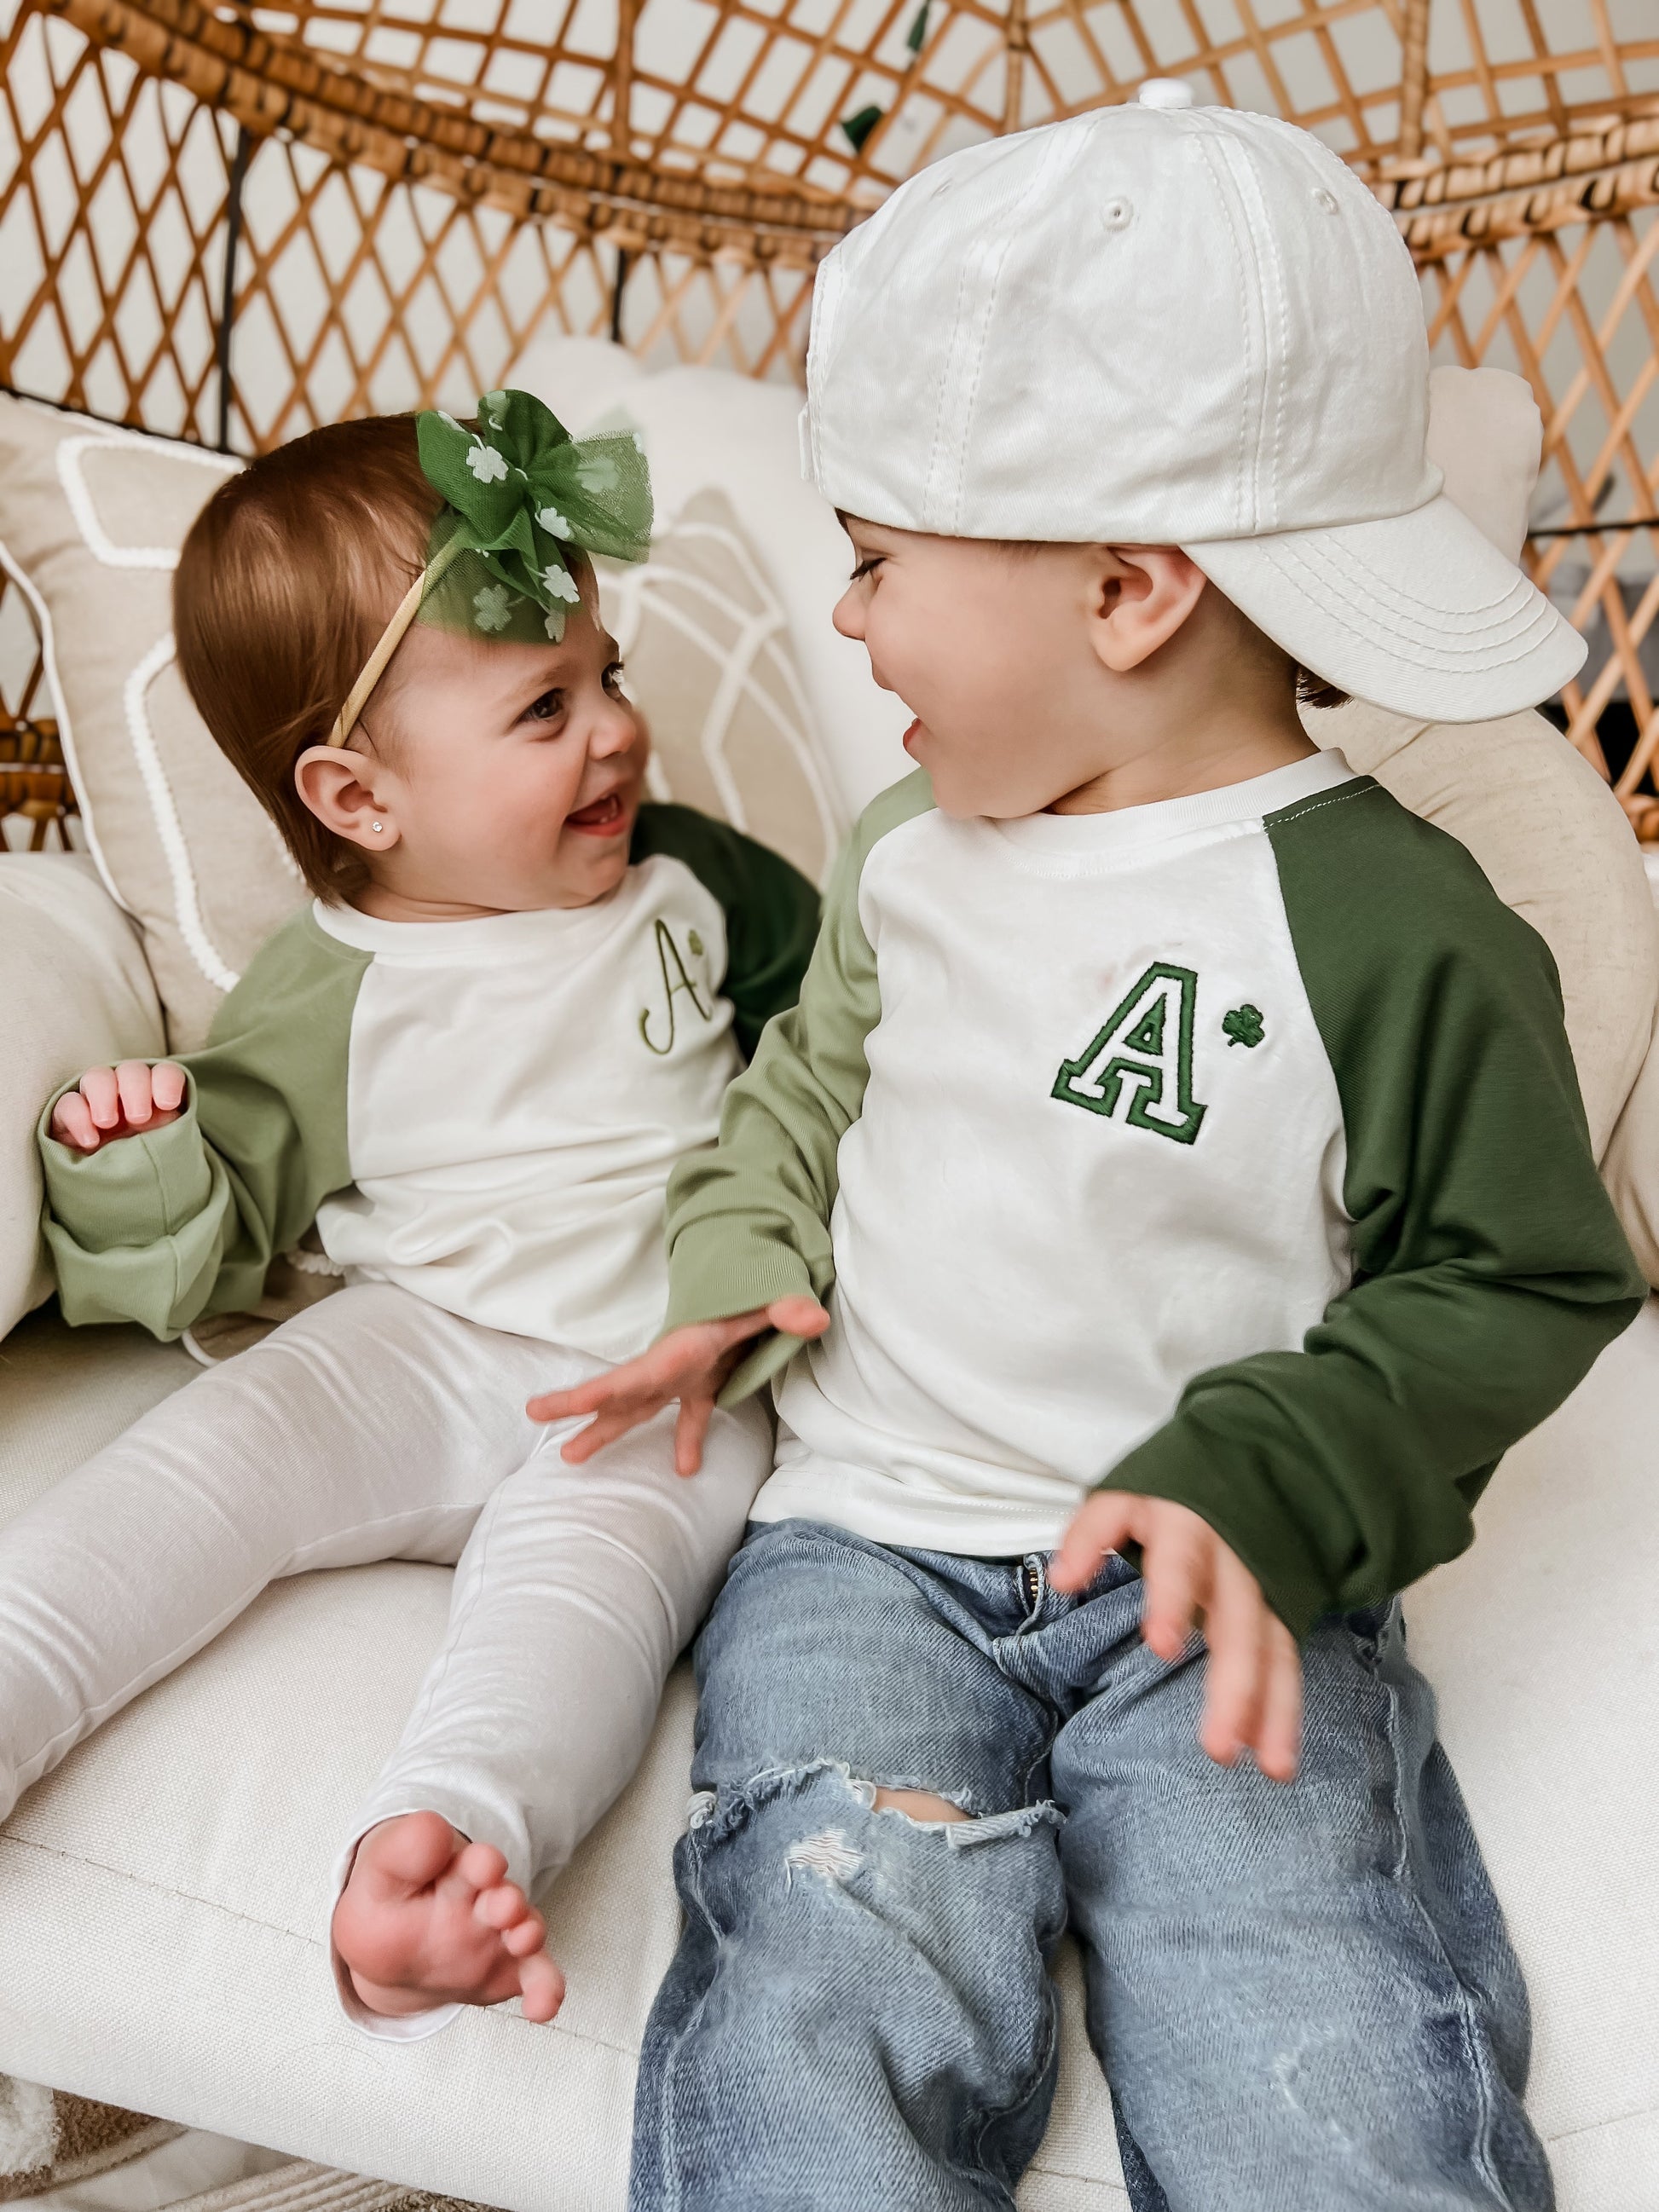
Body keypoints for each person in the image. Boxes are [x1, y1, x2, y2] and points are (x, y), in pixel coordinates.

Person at [530, 95, 1646, 2209]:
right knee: (823, 1963)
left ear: (1127, 590)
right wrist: (733, 1266)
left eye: (877, 561)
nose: (850, 621)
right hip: (864, 1548)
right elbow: (801, 1094)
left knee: (1294, 2003)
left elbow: (1518, 1270)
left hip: (1218, 1582)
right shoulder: (904, 853)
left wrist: (1271, 1468)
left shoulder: (1394, 924)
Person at [1, 390, 817, 2038]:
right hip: (419, 1340)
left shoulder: (699, 883)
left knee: (589, 1603)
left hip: (667, 1372)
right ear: (359, 798)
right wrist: (134, 1150)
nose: (614, 734)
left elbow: (842, 1043)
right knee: (204, 1465)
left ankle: (439, 1860)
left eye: (608, 677)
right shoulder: (334, 984)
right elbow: (220, 1225)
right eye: (543, 708)